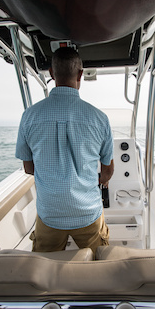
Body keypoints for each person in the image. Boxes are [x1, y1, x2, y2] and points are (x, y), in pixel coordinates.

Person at [15, 47, 114, 254]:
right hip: (87, 213)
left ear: (51, 73)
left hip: (50, 214)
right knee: (99, 264)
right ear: (80, 75)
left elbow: (28, 168)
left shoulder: (29, 116)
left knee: (45, 269)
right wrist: (98, 181)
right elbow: (107, 171)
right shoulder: (99, 118)